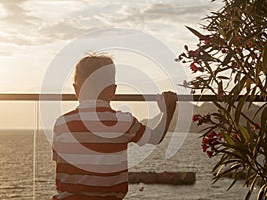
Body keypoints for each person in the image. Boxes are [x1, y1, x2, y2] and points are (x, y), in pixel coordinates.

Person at [52, 53, 177, 200]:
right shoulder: (123, 122)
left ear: (76, 90)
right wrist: (168, 110)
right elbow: (156, 137)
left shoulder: (62, 123)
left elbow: (60, 165)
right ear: (113, 91)